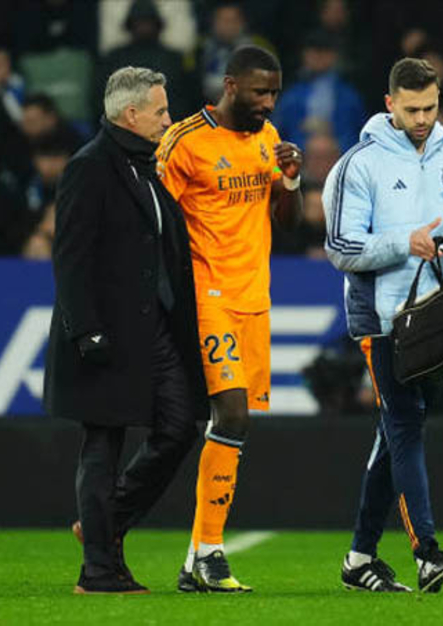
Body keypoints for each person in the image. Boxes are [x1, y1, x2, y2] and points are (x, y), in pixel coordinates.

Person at [322, 58, 443, 593]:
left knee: (394, 429)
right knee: (405, 421)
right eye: (412, 108)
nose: (422, 118)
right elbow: (341, 247)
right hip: (383, 316)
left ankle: (359, 558)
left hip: (441, 314)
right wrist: (407, 241)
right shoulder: (360, 165)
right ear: (390, 105)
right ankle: (427, 551)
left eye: (430, 107)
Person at [43, 66, 208, 595]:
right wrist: (85, 330)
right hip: (106, 333)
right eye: (161, 110)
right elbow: (70, 258)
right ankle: (97, 569)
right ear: (130, 114)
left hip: (152, 330)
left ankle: (104, 525)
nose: (169, 118)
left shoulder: (148, 167)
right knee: (103, 443)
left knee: (182, 424)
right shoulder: (90, 167)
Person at [157, 45, 302, 593]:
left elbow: (284, 222)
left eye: (274, 94)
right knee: (233, 415)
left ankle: (196, 558)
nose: (268, 103)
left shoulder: (267, 139)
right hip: (208, 292)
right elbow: (155, 218)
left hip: (253, 297)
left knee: (232, 425)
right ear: (231, 85)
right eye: (260, 92)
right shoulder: (186, 141)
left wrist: (289, 180)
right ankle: (212, 553)